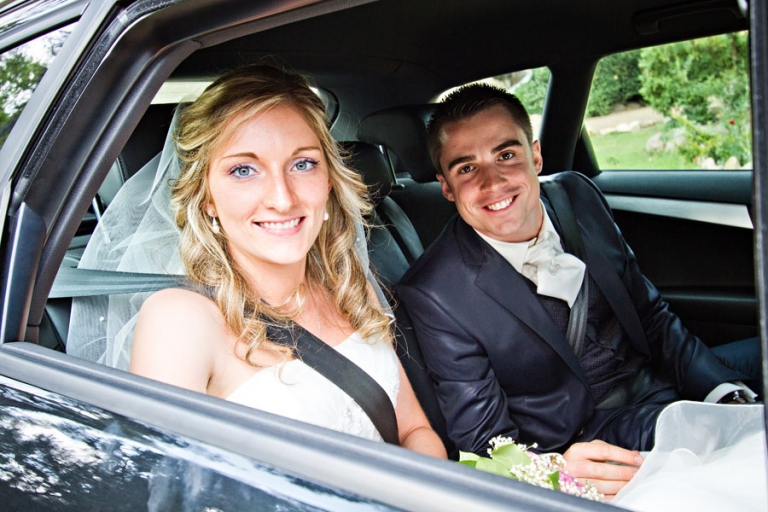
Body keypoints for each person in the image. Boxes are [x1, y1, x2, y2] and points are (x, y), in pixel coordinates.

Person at [396, 83, 760, 495]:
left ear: (535, 155)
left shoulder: (577, 196)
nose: (493, 181)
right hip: (590, 435)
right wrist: (558, 476)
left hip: (656, 379)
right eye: (466, 168)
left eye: (506, 155)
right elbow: (485, 443)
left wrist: (723, 393)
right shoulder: (435, 294)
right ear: (446, 186)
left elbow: (651, 316)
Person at [129, 64, 446, 458]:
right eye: (243, 170)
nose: (282, 198)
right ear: (207, 197)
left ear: (329, 181)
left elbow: (414, 430)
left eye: (303, 164)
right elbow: (166, 488)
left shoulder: (349, 287)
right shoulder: (180, 320)